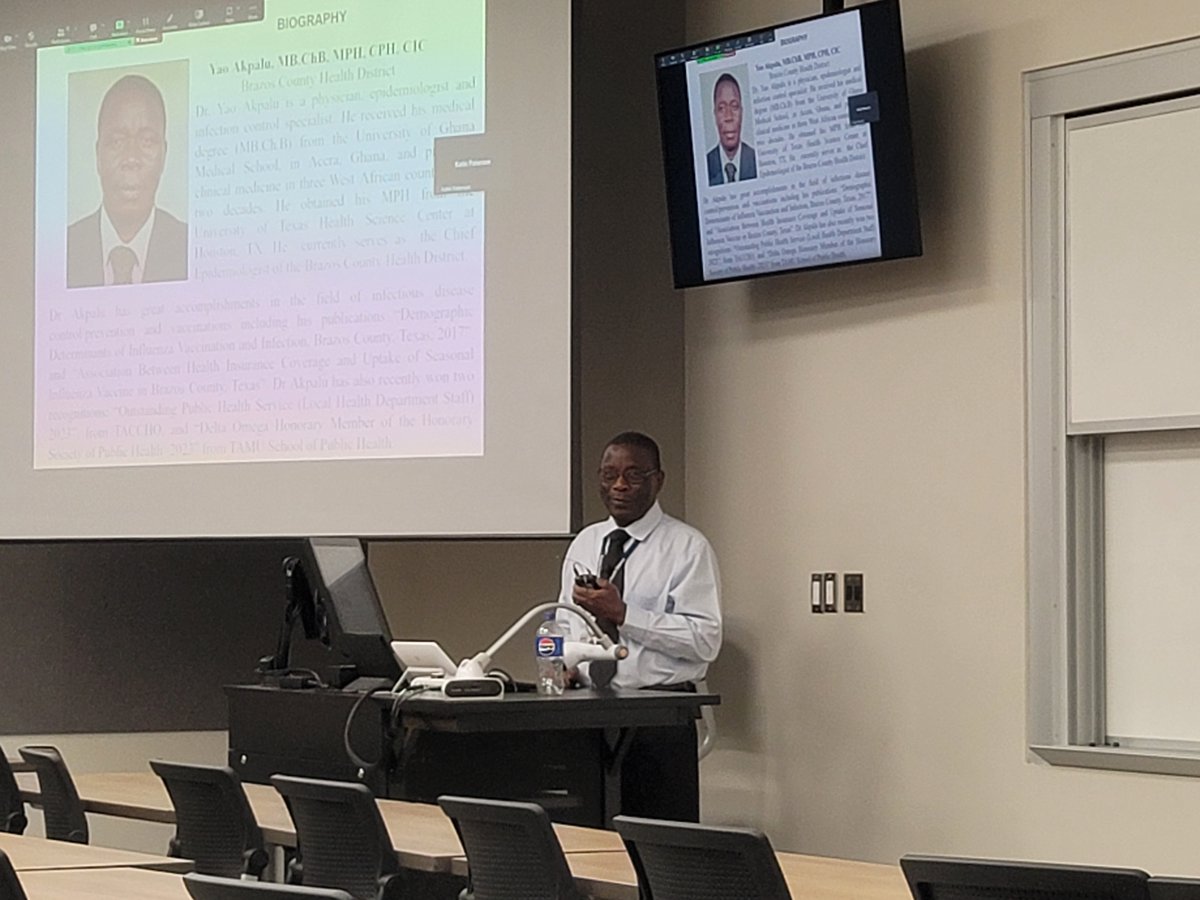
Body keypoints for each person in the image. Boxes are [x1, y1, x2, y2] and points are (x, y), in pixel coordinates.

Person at [559, 431, 722, 820]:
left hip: (657, 715)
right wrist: (563, 664)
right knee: (589, 833)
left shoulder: (687, 547)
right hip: (588, 713)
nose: (619, 485)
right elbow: (565, 622)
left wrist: (624, 615)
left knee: (656, 838)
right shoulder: (586, 542)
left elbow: (705, 640)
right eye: (609, 475)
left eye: (633, 475)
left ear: (657, 480)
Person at [67, 74, 187, 288]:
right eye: (117, 141)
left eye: (147, 141)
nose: (131, 158)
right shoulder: (62, 249)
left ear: (163, 155)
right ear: (98, 155)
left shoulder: (191, 247)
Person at [706, 72, 757, 187]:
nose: (728, 117)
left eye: (734, 107)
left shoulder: (757, 160)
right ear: (715, 115)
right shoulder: (705, 165)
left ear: (742, 112)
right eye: (721, 108)